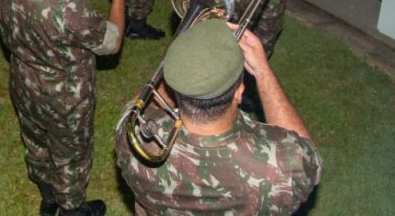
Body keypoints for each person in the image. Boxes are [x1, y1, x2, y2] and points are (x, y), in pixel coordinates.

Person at [0, 0, 127, 216]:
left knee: (36, 141)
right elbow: (111, 41)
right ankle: (71, 207)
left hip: (24, 81)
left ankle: (48, 196)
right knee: (71, 155)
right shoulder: (69, 6)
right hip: (65, 97)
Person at [115, 19, 322, 215]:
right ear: (240, 92)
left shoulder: (132, 139)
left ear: (173, 87)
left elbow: (138, 104)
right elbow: (308, 156)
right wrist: (262, 71)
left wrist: (186, 63)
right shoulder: (278, 170)